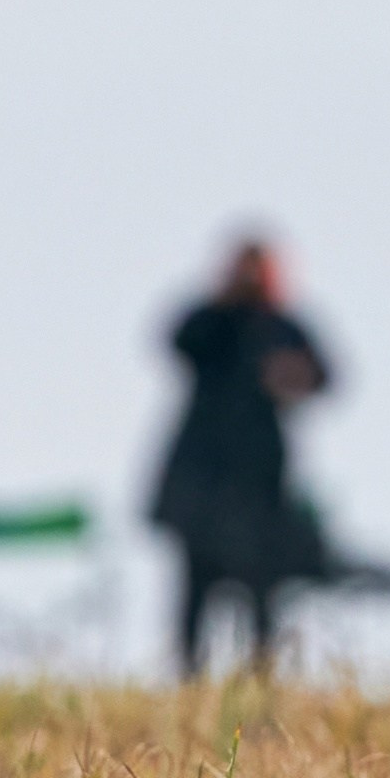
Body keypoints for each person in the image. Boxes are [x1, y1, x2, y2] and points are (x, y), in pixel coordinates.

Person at [150, 238, 330, 678]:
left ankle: (261, 673)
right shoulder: (211, 321)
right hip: (202, 479)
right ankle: (189, 675)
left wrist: (289, 375)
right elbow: (176, 340)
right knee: (196, 585)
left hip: (259, 482)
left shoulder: (282, 326)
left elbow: (324, 376)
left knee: (262, 586)